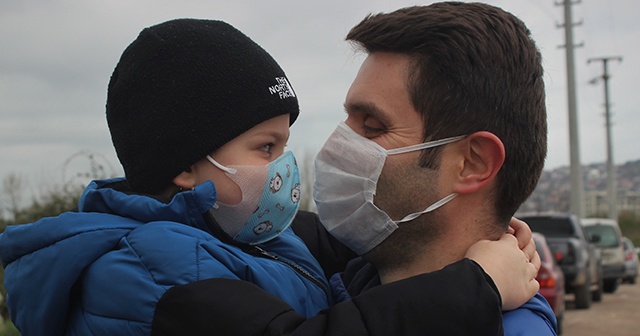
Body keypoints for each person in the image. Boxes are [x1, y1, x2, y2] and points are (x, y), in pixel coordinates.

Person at [0, 16, 537, 336]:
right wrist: (478, 284)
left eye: (371, 127)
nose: (313, 156)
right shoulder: (150, 272)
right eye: (266, 147)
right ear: (185, 166)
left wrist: (498, 236)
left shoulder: (248, 236)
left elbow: (349, 241)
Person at [149, 2, 558, 336]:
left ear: (473, 164)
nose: (334, 148)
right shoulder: (345, 287)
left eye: (373, 127)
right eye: (346, 122)